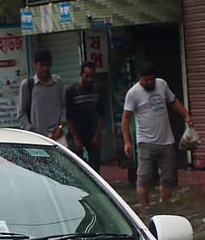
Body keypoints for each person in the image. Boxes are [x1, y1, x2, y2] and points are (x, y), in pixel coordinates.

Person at [121, 62, 191, 208]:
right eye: (146, 80)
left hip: (166, 140)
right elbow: (126, 117)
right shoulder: (133, 93)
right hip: (145, 142)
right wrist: (127, 142)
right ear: (140, 78)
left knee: (168, 177)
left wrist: (186, 115)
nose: (149, 82)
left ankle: (164, 205)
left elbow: (173, 101)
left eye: (152, 79)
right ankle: (145, 208)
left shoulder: (162, 85)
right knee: (144, 177)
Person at [17, 49, 66, 143]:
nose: (45, 68)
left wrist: (60, 127)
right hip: (36, 138)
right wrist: (31, 132)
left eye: (47, 65)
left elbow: (64, 107)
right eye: (41, 65)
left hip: (57, 135)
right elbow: (21, 113)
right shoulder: (27, 85)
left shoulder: (57, 83)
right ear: (35, 65)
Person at [65, 62, 106, 172]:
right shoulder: (71, 91)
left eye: (92, 76)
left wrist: (97, 135)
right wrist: (76, 138)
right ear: (81, 74)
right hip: (77, 132)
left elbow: (101, 114)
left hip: (92, 132)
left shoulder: (98, 90)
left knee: (95, 167)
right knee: (77, 166)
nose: (89, 79)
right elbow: (69, 117)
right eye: (87, 76)